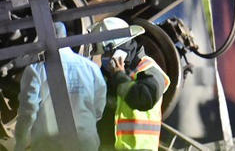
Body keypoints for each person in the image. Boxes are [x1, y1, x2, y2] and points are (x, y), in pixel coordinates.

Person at [14, 22, 106, 151]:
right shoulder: (91, 68)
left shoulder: (35, 70)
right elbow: (98, 109)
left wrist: (20, 143)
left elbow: (28, 112)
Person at [89, 17, 171, 151]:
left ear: (119, 50)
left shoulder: (148, 69)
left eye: (107, 54)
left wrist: (118, 76)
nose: (104, 59)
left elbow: (144, 99)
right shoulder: (115, 76)